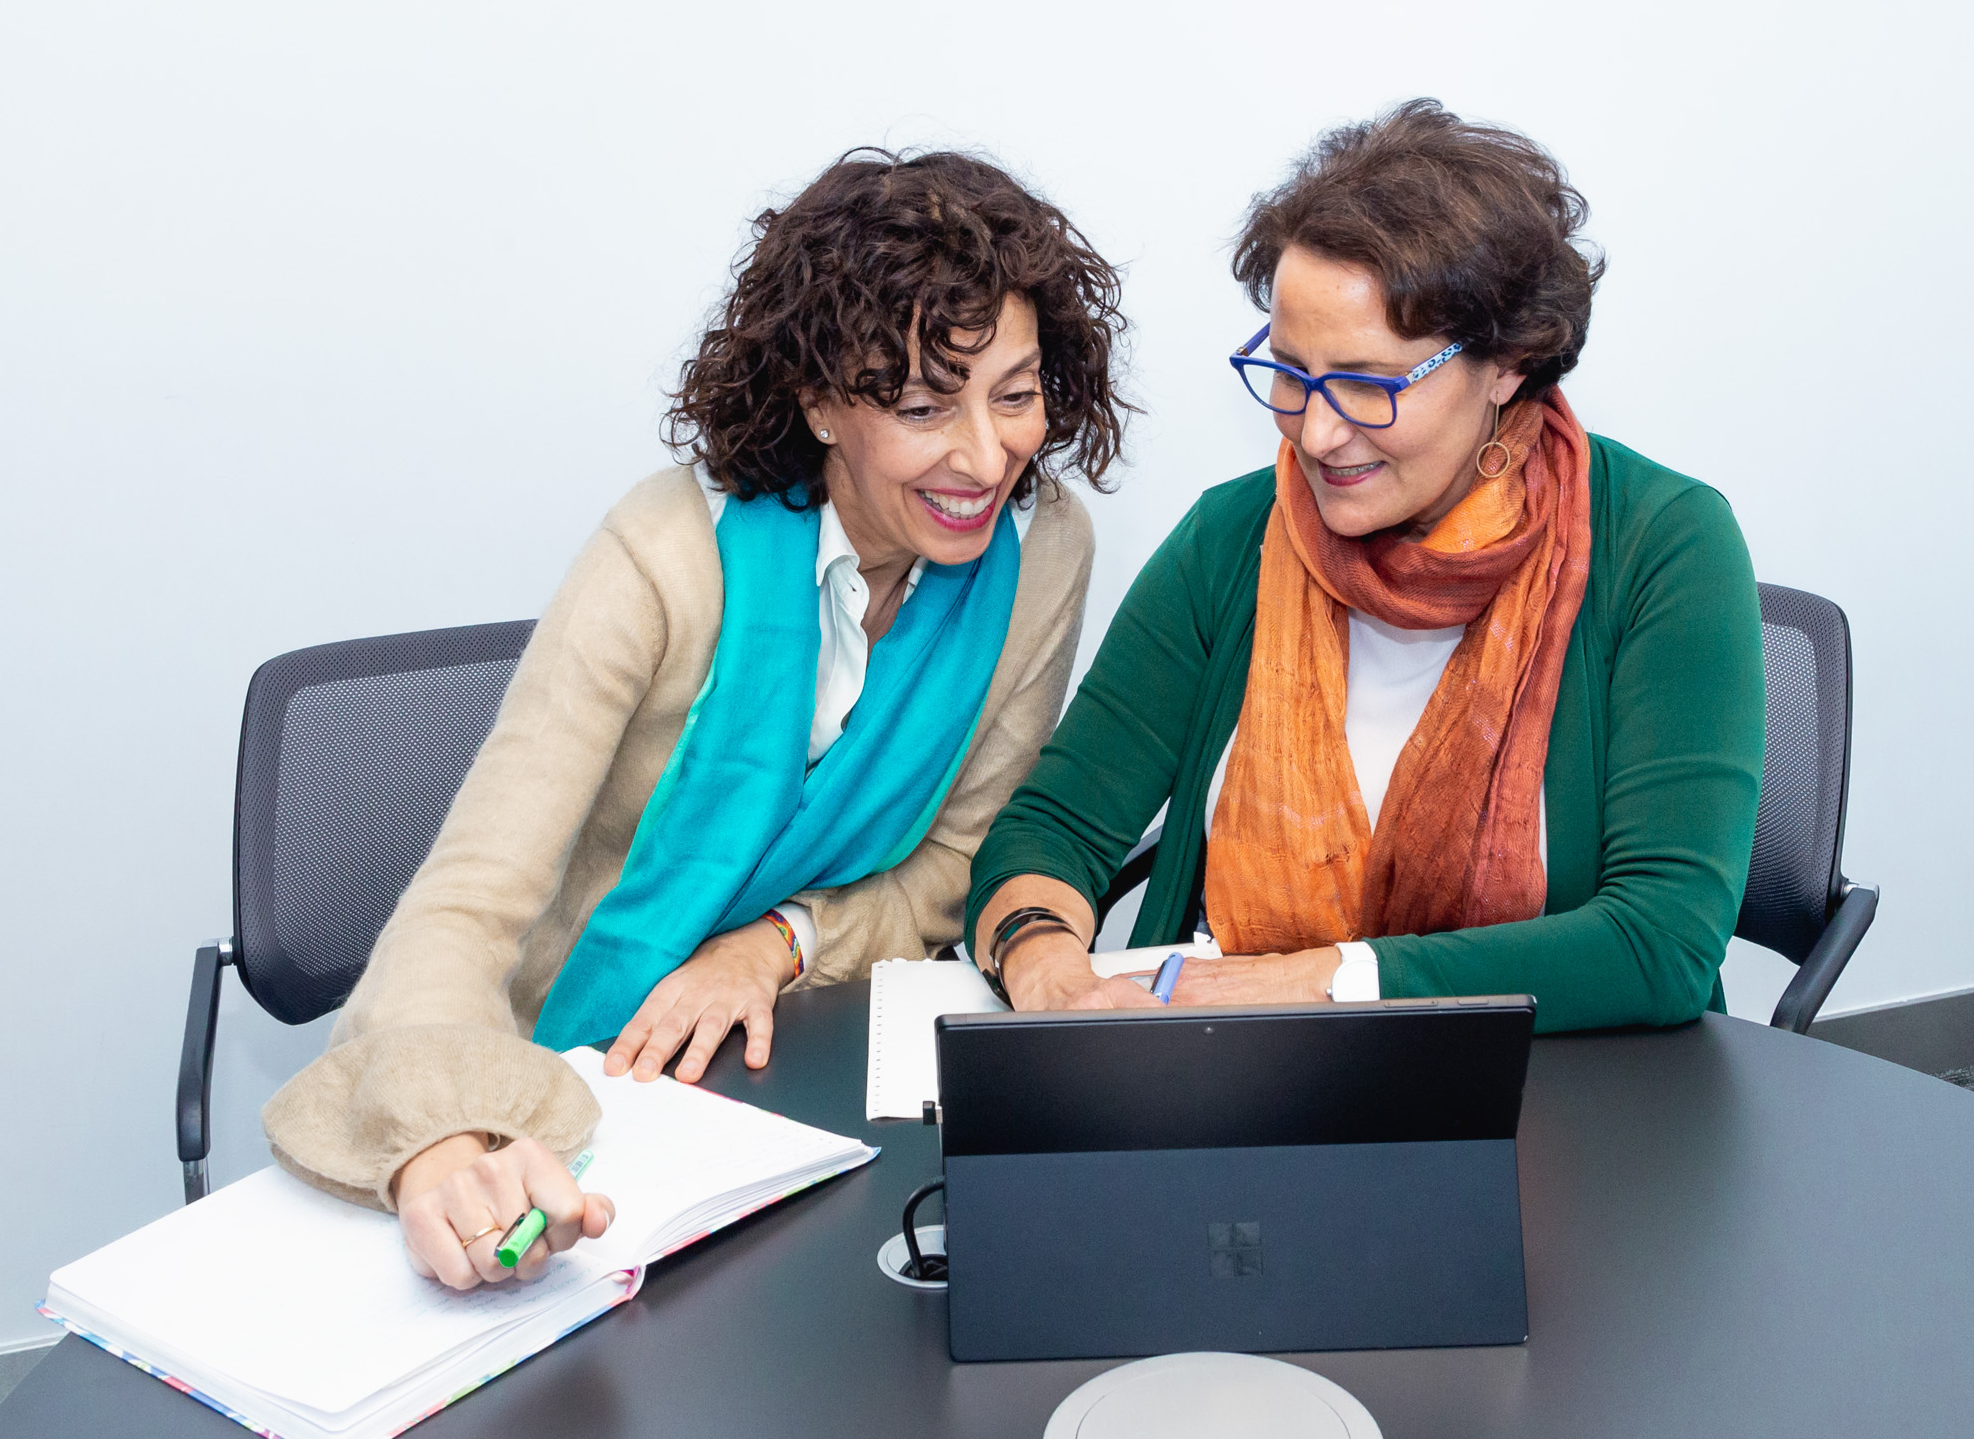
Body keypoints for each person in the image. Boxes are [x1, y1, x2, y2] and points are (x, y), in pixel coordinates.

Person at [263, 149, 1129, 1290]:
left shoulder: (1041, 552)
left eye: (1014, 394)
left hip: (798, 1095)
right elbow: (467, 904)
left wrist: (774, 944)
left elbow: (962, 859)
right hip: (565, 1078)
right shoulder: (663, 557)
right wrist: (444, 1145)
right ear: (821, 400)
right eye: (923, 405)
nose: (985, 454)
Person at [967, 100, 1765, 1032]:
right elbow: (1051, 829)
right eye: (1293, 372)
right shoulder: (1234, 539)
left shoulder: (1665, 545)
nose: (1317, 431)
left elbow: (1656, 943)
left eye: (1368, 384)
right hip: (1249, 1084)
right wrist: (1046, 961)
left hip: (1568, 1109)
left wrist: (1322, 984)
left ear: (1506, 364)